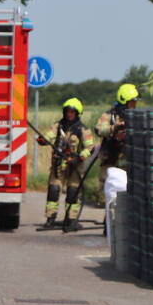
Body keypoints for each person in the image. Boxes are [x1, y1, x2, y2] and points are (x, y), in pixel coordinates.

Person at [38, 97, 95, 231]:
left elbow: (90, 148)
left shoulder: (83, 130)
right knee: (53, 190)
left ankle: (71, 219)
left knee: (73, 192)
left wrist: (79, 158)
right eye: (67, 111)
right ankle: (50, 218)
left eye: (72, 112)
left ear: (77, 113)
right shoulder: (58, 126)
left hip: (75, 167)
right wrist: (43, 140)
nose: (69, 114)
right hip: (58, 166)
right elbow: (49, 135)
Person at [95, 83, 138, 189]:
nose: (134, 105)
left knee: (126, 189)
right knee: (106, 190)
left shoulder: (136, 116)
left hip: (127, 160)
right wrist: (114, 128)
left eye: (135, 103)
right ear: (124, 101)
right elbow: (99, 129)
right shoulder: (109, 116)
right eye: (132, 103)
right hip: (110, 158)